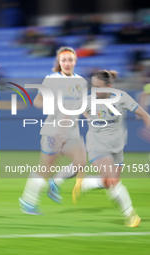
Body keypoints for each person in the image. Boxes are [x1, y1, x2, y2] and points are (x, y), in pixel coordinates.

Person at [72, 70, 150, 227]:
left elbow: (144, 115)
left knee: (110, 183)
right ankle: (130, 215)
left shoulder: (120, 98)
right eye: (93, 87)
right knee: (113, 181)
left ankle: (86, 183)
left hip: (117, 146)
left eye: (99, 88)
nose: (95, 91)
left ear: (109, 87)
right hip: (97, 145)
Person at [19, 46, 87, 213]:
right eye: (63, 60)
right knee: (45, 168)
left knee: (81, 162)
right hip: (54, 130)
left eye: (70, 60)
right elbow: (37, 101)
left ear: (75, 61)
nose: (67, 63)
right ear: (59, 62)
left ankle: (55, 182)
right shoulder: (51, 79)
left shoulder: (82, 82)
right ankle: (28, 201)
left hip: (72, 132)